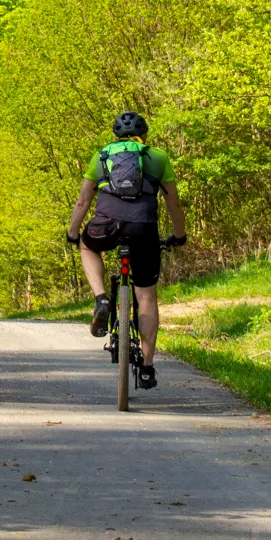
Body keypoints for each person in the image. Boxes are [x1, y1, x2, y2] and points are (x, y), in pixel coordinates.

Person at [65, 111, 186, 388]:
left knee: (87, 245)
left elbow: (82, 202)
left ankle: (101, 299)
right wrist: (179, 235)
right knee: (146, 296)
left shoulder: (101, 156)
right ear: (144, 135)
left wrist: (73, 233)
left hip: (106, 225)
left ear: (115, 136)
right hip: (144, 229)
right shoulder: (158, 157)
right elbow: (174, 204)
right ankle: (147, 368)